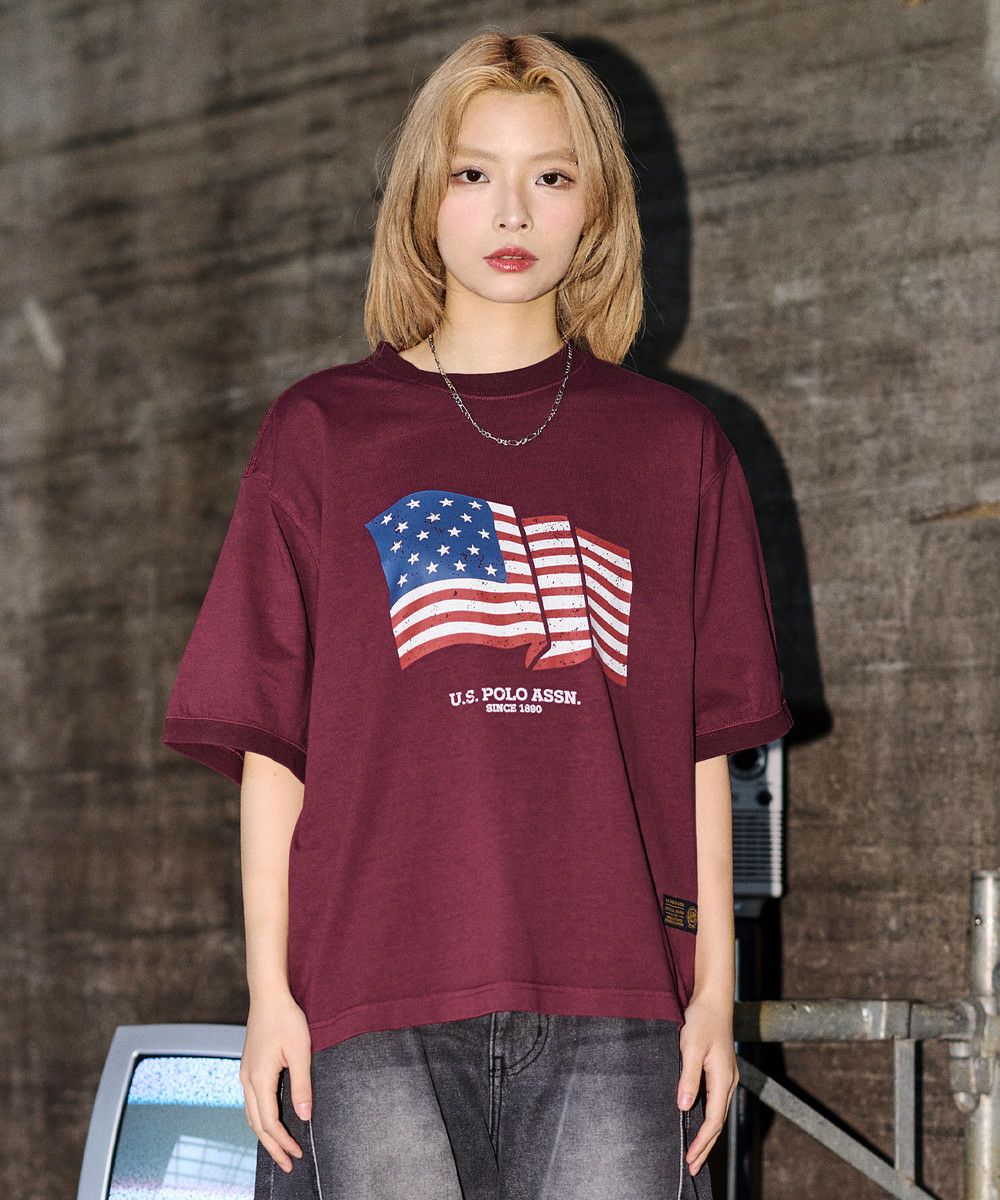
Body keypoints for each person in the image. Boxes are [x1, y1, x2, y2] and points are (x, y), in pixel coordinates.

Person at [161, 29, 793, 1200]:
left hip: (618, 997)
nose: (512, 210)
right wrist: (269, 995)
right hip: (371, 993)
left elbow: (707, 746)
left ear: (595, 207)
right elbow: (272, 747)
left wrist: (714, 995)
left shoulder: (674, 447)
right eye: (472, 173)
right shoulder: (324, 433)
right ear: (423, 197)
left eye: (550, 175)